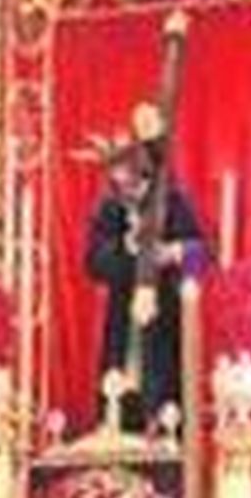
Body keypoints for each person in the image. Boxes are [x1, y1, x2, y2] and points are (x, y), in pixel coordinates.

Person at [84, 123, 211, 431]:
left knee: (166, 401)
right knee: (119, 401)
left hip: (166, 320)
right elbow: (93, 263)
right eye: (119, 187)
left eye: (133, 186)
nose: (127, 194)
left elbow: (204, 254)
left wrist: (173, 252)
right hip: (123, 322)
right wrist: (125, 249)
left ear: (147, 177)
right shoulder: (110, 209)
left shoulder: (173, 202)